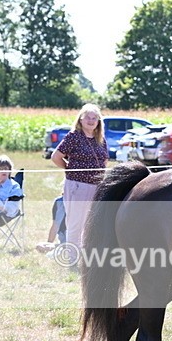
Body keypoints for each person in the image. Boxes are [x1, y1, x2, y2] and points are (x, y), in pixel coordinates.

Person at [51, 104, 107, 266]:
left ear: (98, 121)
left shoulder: (101, 140)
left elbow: (104, 160)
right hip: (77, 186)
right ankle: (72, 260)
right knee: (75, 223)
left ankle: (86, 259)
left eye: (94, 118)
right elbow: (56, 157)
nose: (91, 121)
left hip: (97, 187)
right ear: (81, 119)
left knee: (90, 223)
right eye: (87, 117)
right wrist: (70, 170)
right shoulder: (73, 137)